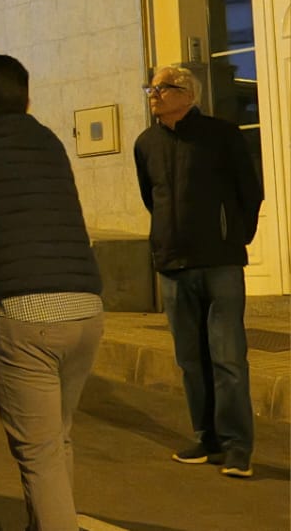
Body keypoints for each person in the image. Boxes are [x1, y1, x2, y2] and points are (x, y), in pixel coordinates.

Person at [0, 55, 103, 531]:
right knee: (57, 440)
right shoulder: (50, 141)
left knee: (38, 454)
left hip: (25, 315)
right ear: (27, 100)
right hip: (86, 308)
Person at [134, 65, 262, 479]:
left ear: (189, 95)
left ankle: (237, 447)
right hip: (173, 263)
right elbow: (151, 197)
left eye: (163, 88)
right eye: (152, 88)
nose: (154, 95)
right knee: (190, 359)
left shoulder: (221, 135)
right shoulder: (146, 143)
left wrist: (234, 237)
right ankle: (207, 439)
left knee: (228, 358)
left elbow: (250, 191)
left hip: (220, 262)